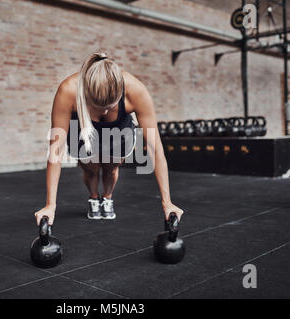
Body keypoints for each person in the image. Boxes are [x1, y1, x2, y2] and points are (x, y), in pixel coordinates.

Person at [34, 52, 183, 225]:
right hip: (82, 129)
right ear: (87, 93)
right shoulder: (68, 90)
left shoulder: (136, 90)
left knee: (111, 168)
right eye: (98, 106)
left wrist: (168, 203)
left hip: (119, 130)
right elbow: (55, 152)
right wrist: (50, 205)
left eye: (109, 106)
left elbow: (155, 149)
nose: (104, 112)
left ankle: (107, 197)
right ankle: (93, 197)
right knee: (90, 169)